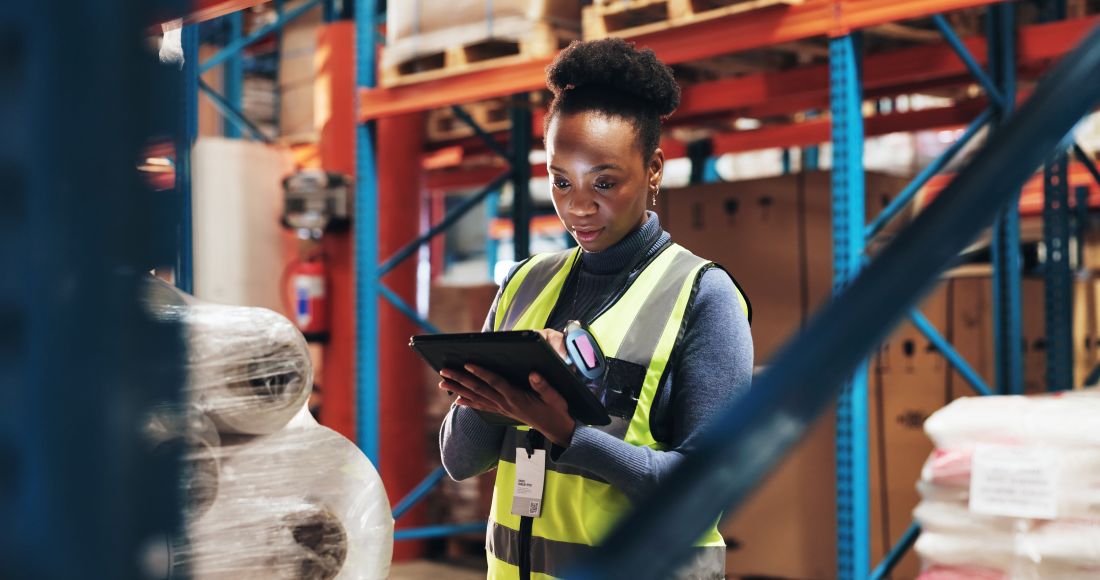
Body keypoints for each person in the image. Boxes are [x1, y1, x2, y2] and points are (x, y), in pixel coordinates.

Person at [438, 38, 753, 580]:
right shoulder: (523, 285)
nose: (578, 206)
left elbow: (708, 492)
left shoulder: (703, 296)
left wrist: (568, 434)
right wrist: (493, 397)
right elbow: (460, 462)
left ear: (653, 169)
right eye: (561, 181)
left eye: (604, 182)